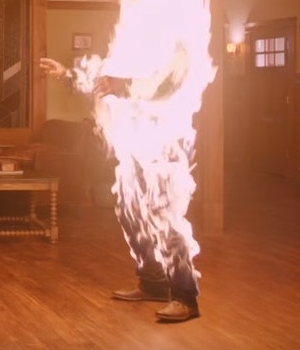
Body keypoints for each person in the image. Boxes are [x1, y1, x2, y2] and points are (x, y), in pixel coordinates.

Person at [40, 54, 200, 323]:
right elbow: (102, 83)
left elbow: (167, 86)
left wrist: (123, 85)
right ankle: (153, 283)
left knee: (167, 224)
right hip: (134, 150)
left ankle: (185, 298)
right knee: (132, 215)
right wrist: (67, 74)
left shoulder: (171, 49)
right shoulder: (133, 47)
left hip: (162, 151)